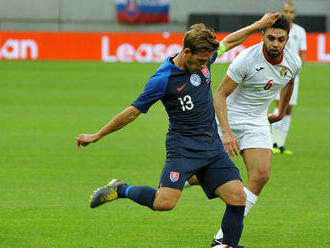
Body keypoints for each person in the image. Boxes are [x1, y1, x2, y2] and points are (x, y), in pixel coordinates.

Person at [75, 13, 280, 248]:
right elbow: (132, 111)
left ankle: (227, 246)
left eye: (207, 60)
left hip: (212, 147)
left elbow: (231, 41)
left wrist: (258, 25)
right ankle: (120, 189)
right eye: (201, 61)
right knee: (165, 203)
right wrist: (98, 135)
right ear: (186, 52)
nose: (205, 65)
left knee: (238, 197)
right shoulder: (162, 80)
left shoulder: (203, 58)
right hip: (183, 150)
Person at [207, 15, 301, 247]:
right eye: (271, 38)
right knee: (198, 175)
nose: (276, 44)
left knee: (261, 176)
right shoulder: (247, 59)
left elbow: (289, 82)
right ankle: (180, 178)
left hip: (257, 121)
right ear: (263, 36)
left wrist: (280, 112)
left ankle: (223, 237)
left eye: (281, 39)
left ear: (287, 39)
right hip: (227, 119)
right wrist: (227, 133)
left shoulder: (293, 61)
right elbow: (219, 94)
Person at [272, 2, 307, 155]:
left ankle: (280, 144)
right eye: (286, 11)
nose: (288, 14)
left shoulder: (300, 31)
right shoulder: (276, 30)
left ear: (294, 14)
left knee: (288, 110)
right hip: (276, 74)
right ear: (282, 12)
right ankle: (272, 142)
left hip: (292, 75)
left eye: (291, 11)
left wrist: (298, 70)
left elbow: (303, 53)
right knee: (279, 107)